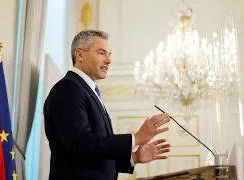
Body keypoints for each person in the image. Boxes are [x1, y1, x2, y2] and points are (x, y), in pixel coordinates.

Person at [43, 30, 171, 180]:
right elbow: (80, 145)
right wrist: (136, 138)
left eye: (109, 54)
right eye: (101, 53)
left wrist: (134, 157)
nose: (109, 60)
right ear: (79, 55)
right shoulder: (68, 89)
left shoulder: (87, 90)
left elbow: (95, 155)